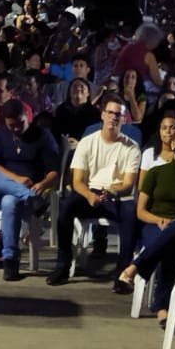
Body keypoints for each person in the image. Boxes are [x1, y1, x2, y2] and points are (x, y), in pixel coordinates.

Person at [117, 125, 175, 327]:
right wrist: (158, 220)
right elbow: (141, 211)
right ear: (172, 144)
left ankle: (135, 267)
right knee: (169, 245)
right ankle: (162, 308)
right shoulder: (155, 173)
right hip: (155, 224)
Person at [47, 94, 142, 287]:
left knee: (131, 215)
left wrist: (113, 192)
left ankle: (123, 275)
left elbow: (128, 185)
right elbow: (77, 181)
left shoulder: (131, 148)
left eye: (118, 114)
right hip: (89, 192)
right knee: (66, 208)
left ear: (124, 118)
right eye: (110, 113)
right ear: (102, 115)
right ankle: (62, 267)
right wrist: (90, 195)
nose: (113, 117)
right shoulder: (87, 142)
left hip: (116, 196)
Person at [0, 100, 60, 281]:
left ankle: (10, 259)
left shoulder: (42, 136)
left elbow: (54, 171)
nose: (16, 129)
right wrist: (17, 180)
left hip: (27, 192)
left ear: (27, 117)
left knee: (10, 201)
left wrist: (43, 184)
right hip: (1, 189)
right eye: (11, 125)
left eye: (20, 123)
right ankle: (28, 197)